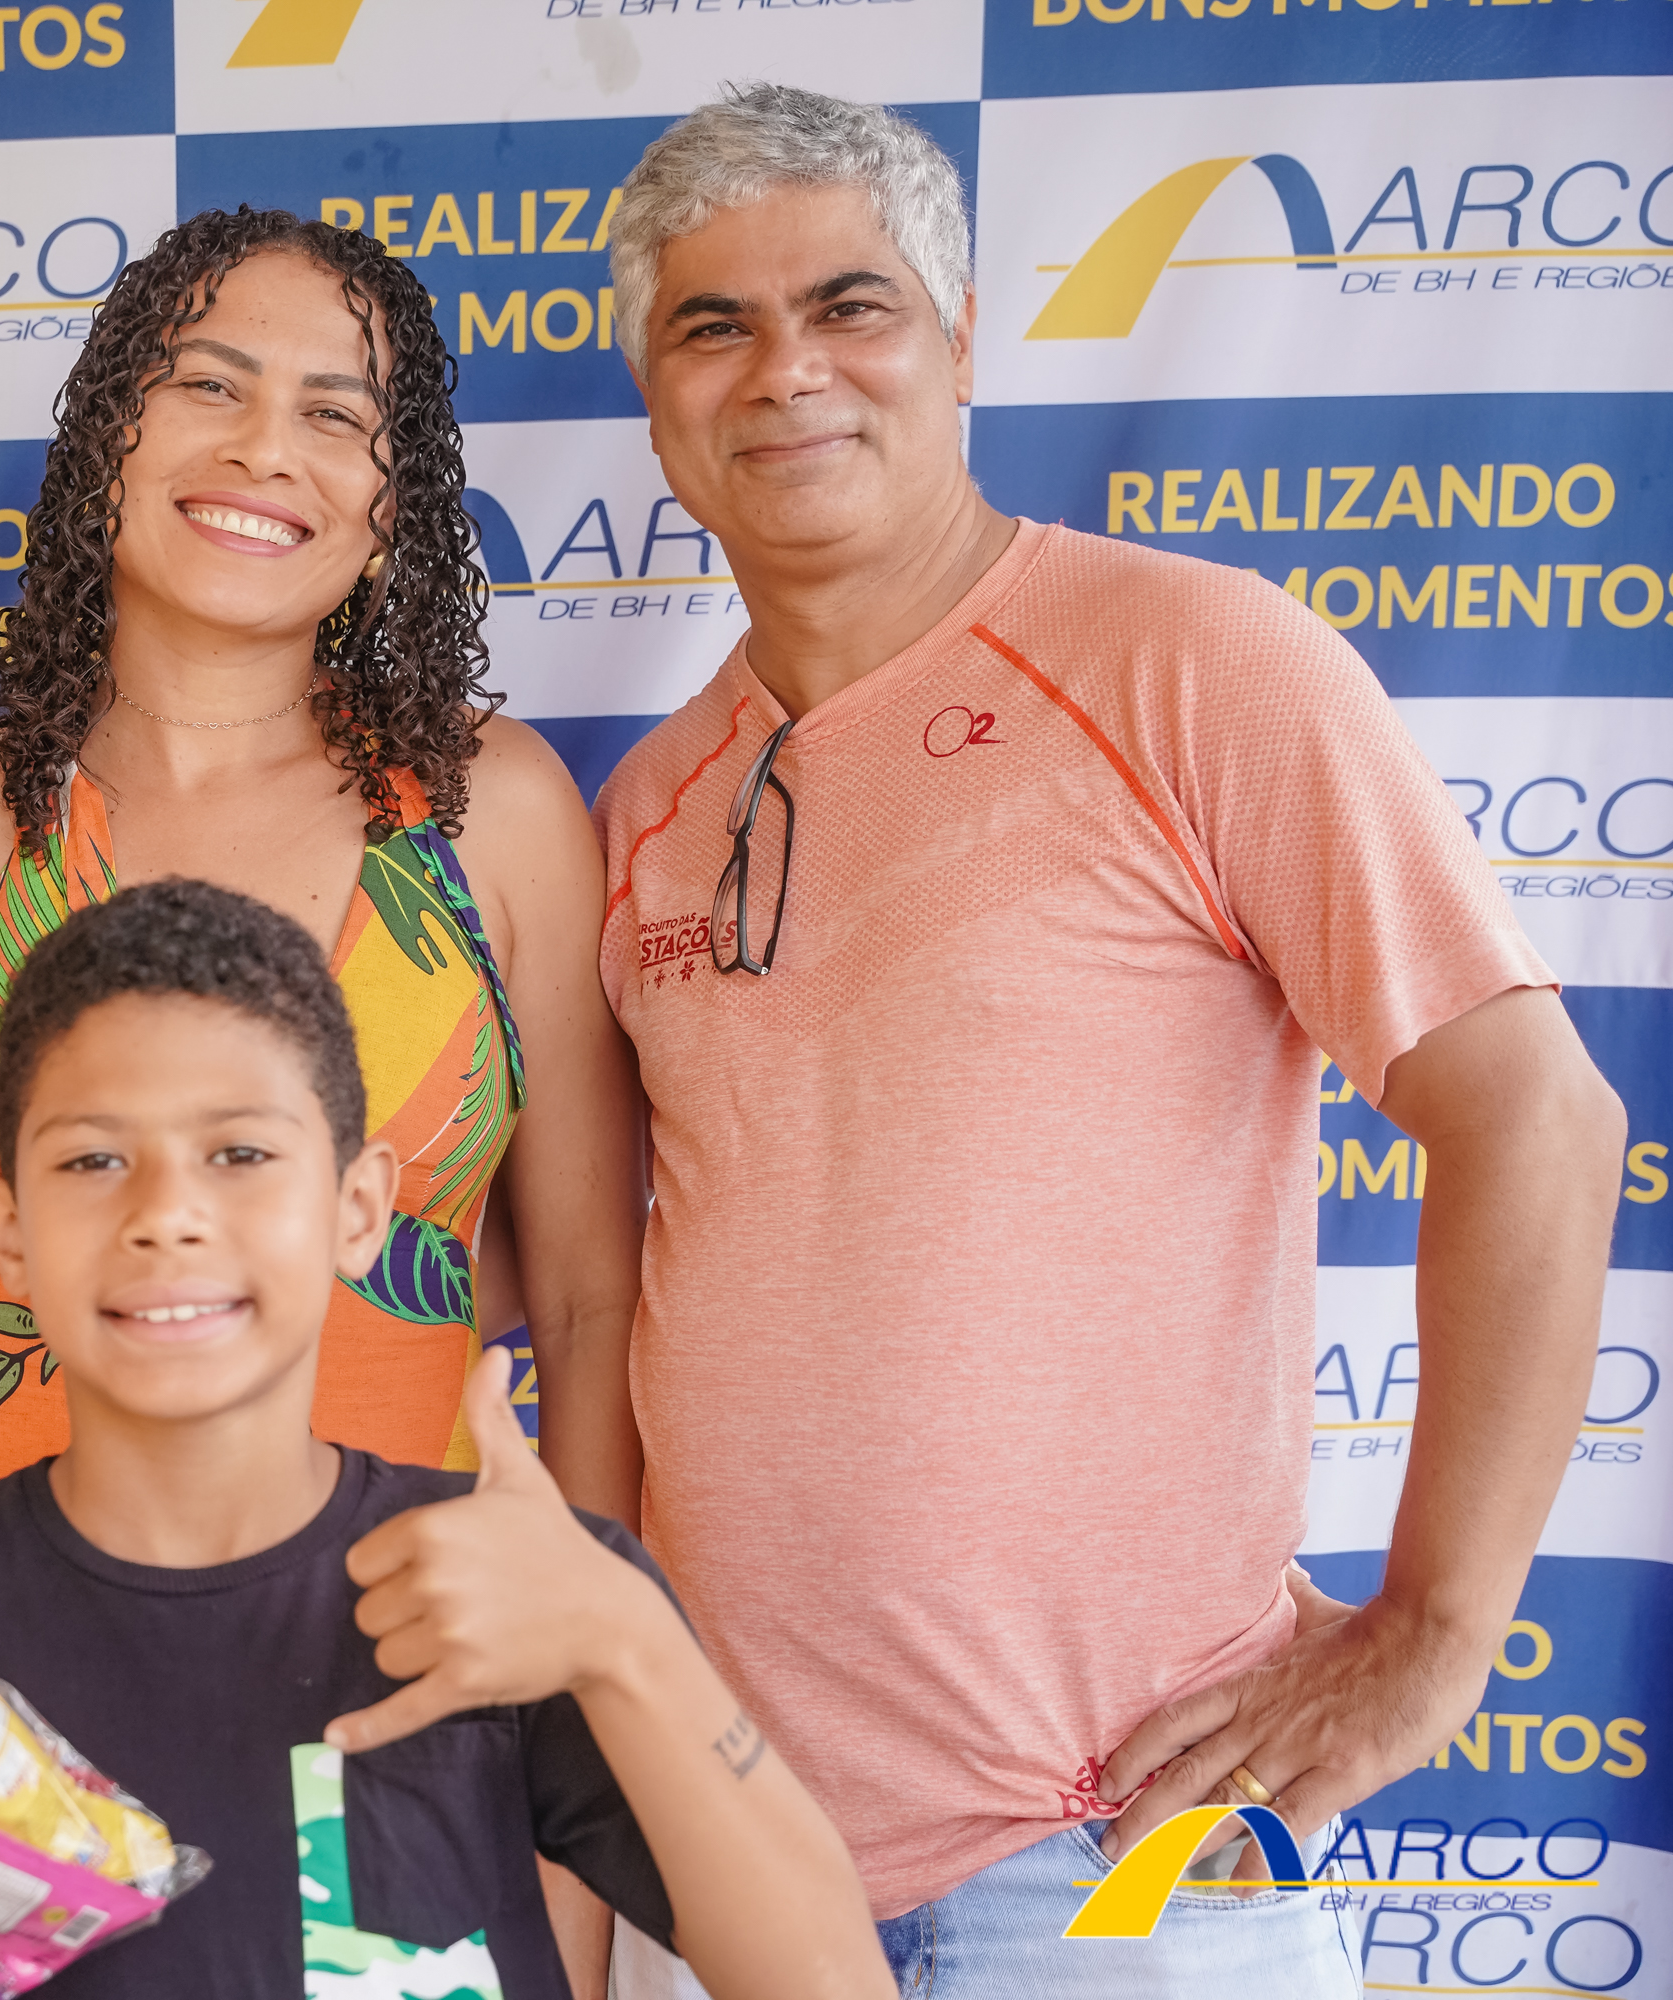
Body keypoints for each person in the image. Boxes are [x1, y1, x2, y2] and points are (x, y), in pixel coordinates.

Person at [590, 84, 1627, 1993]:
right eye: (711, 325)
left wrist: (1437, 1629)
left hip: (1099, 1860)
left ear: (963, 342)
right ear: (655, 404)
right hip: (731, 1865)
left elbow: (1537, 1120)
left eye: (850, 305)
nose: (787, 368)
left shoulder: (1190, 661)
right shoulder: (653, 798)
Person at [0, 211, 641, 1662]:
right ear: (109, 439)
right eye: (210, 384)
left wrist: (592, 1696)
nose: (266, 448)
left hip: (404, 1673)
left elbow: (590, 1308)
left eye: (335, 414)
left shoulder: (494, 816)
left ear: (393, 509)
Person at [0, 878, 892, 1999]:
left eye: (241, 1153)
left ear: (358, 1210)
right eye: (94, 1160)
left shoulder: (519, 1590)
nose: (167, 1214)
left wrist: (628, 1642)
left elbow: (830, 1982)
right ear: (9, 1230)